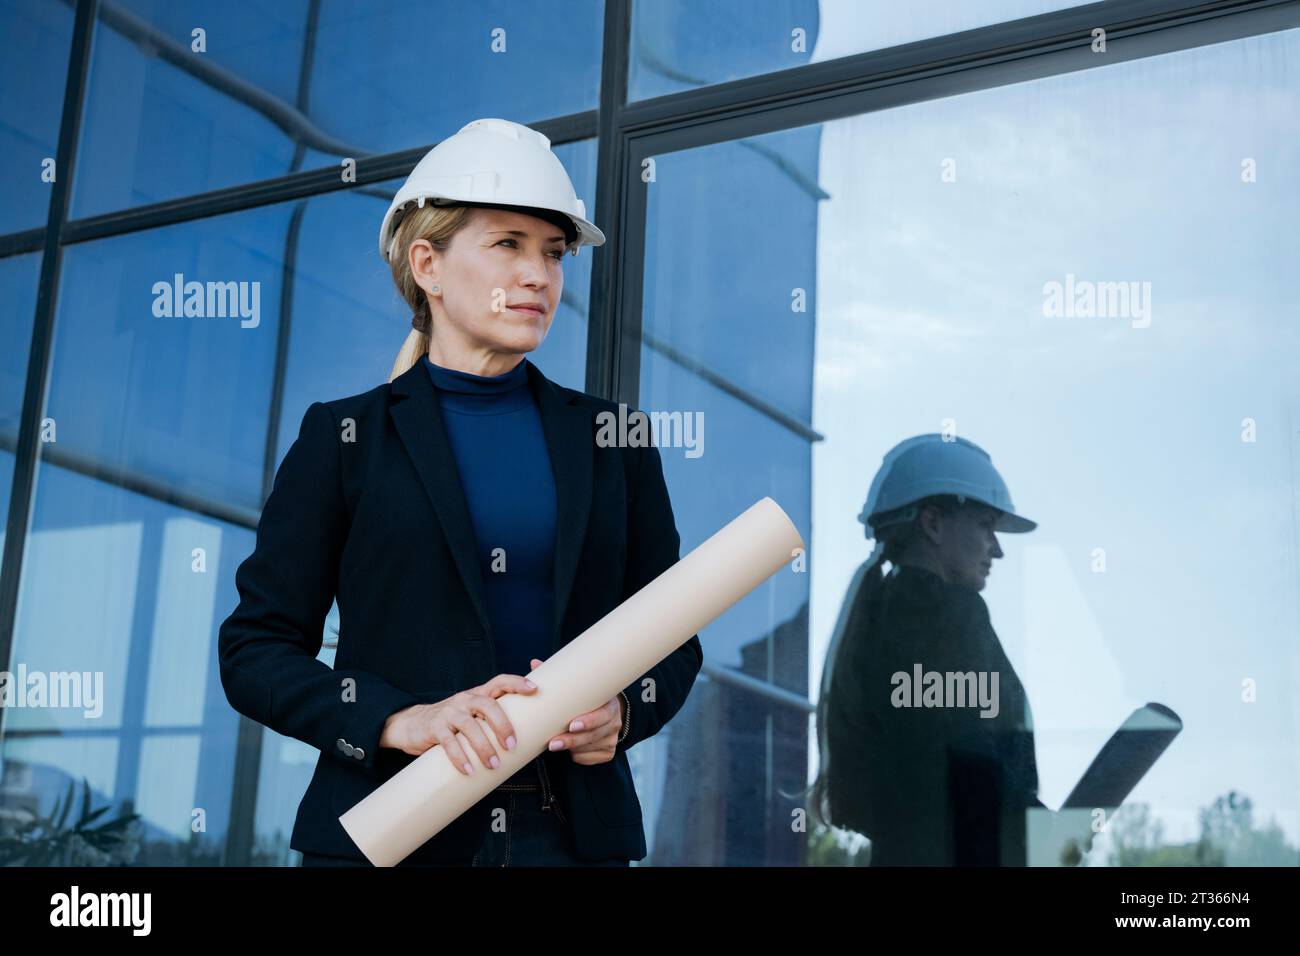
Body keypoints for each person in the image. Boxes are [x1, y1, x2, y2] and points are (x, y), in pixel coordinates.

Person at [217, 118, 702, 867]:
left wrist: (624, 713)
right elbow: (256, 649)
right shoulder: (345, 437)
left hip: (570, 841)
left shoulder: (615, 440)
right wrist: (397, 719)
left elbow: (671, 635)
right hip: (391, 832)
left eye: (553, 253)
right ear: (428, 265)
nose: (539, 275)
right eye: (507, 244)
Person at [811, 434, 1044, 865]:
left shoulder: (887, 615)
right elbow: (964, 760)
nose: (997, 549)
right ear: (933, 523)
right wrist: (1044, 836)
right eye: (985, 525)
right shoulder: (947, 614)